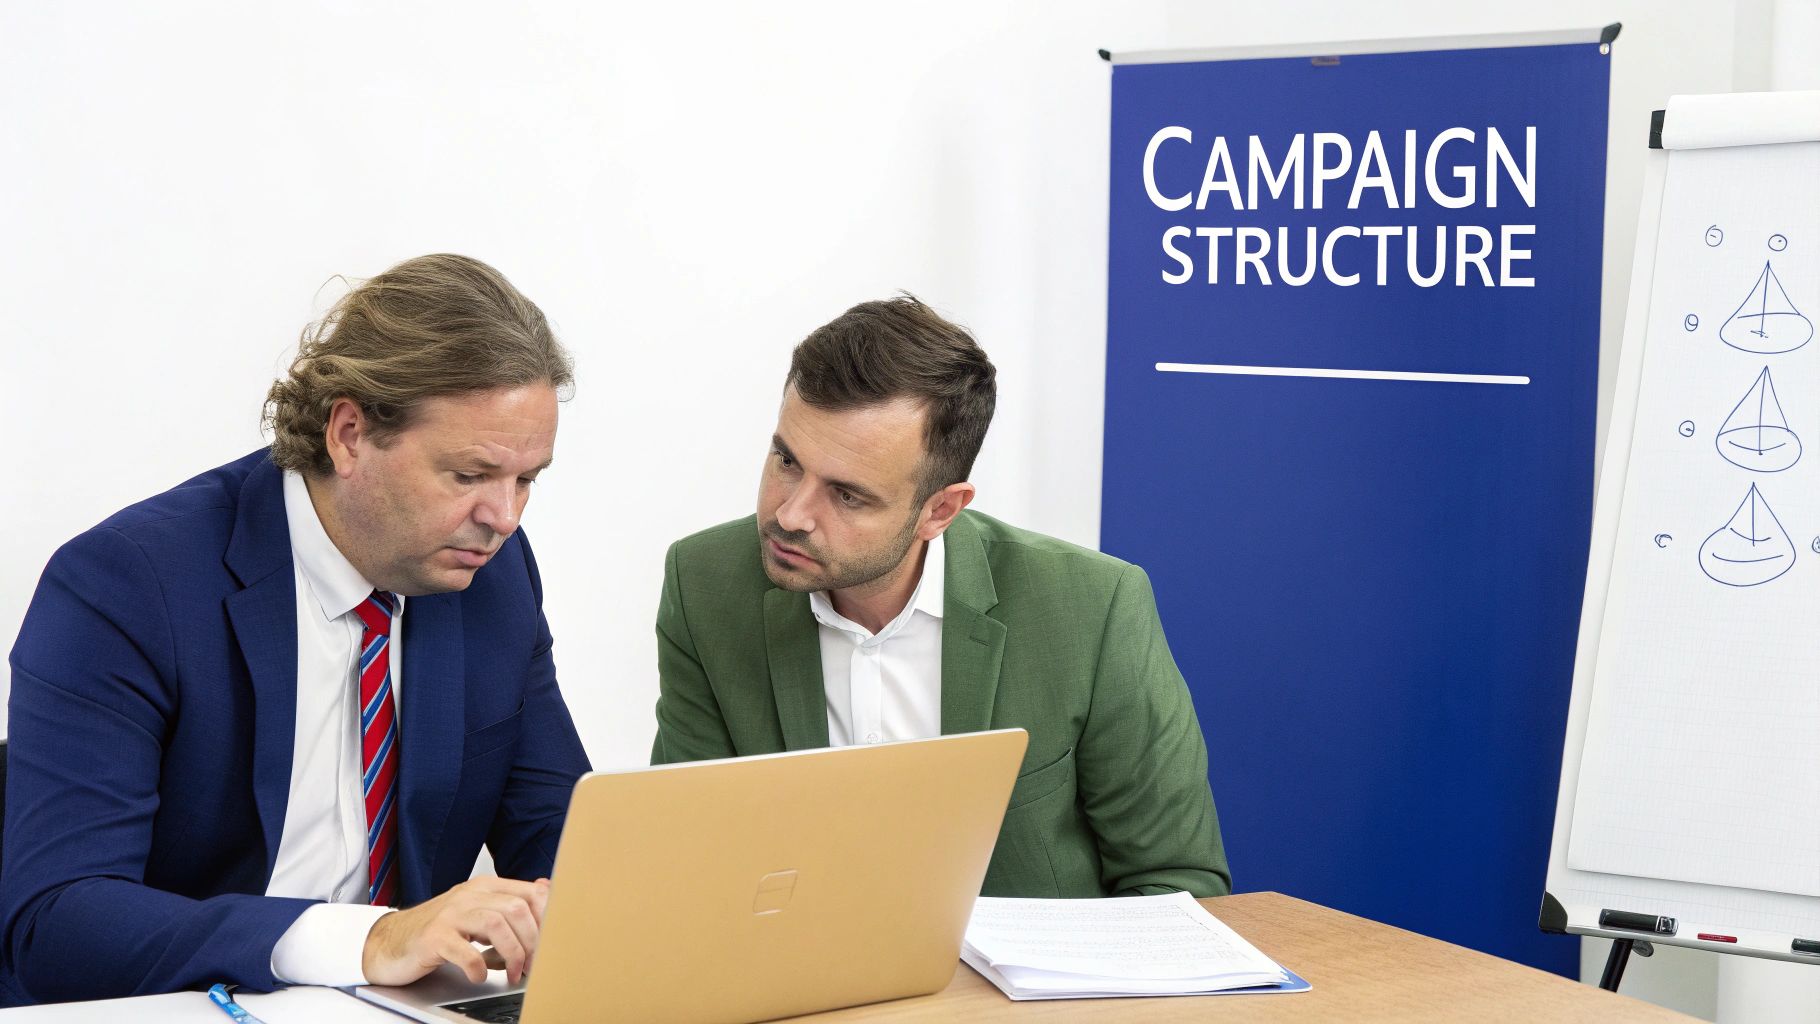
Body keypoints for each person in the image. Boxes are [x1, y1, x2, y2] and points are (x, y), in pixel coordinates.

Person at [1, 254, 592, 1004]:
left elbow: (564, 839)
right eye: (469, 475)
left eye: (527, 479)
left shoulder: (488, 575)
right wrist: (369, 938)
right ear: (348, 434)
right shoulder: (126, 586)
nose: (504, 518)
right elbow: (55, 920)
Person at [651, 295, 1229, 898]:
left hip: (1024, 990)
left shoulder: (1091, 608)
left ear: (940, 510)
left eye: (847, 496)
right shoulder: (706, 583)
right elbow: (694, 853)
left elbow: (1176, 881)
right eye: (787, 461)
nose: (791, 514)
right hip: (804, 985)